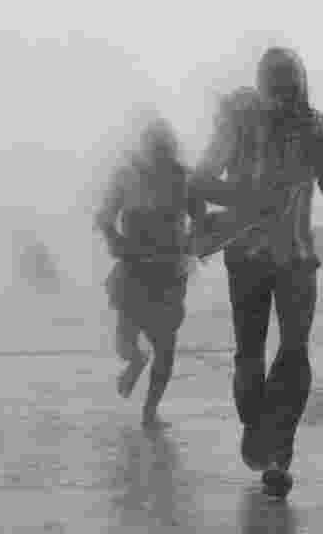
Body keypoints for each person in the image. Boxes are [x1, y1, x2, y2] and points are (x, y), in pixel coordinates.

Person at [190, 46, 323, 499]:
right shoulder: (239, 123)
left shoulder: (315, 122)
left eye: (291, 90)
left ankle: (280, 453)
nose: (283, 100)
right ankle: (257, 428)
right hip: (247, 255)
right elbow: (199, 180)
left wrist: (318, 141)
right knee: (250, 356)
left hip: (298, 256)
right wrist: (244, 199)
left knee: (295, 351)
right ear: (261, 90)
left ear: (302, 87)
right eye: (275, 91)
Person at [95, 116, 206, 430]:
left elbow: (200, 220)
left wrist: (190, 246)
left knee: (166, 347)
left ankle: (150, 411)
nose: (160, 156)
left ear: (171, 150)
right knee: (125, 342)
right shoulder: (127, 178)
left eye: (165, 149)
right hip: (132, 272)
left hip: (169, 275)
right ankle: (134, 361)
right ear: (145, 150)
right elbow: (104, 217)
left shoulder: (184, 180)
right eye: (154, 149)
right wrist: (114, 239)